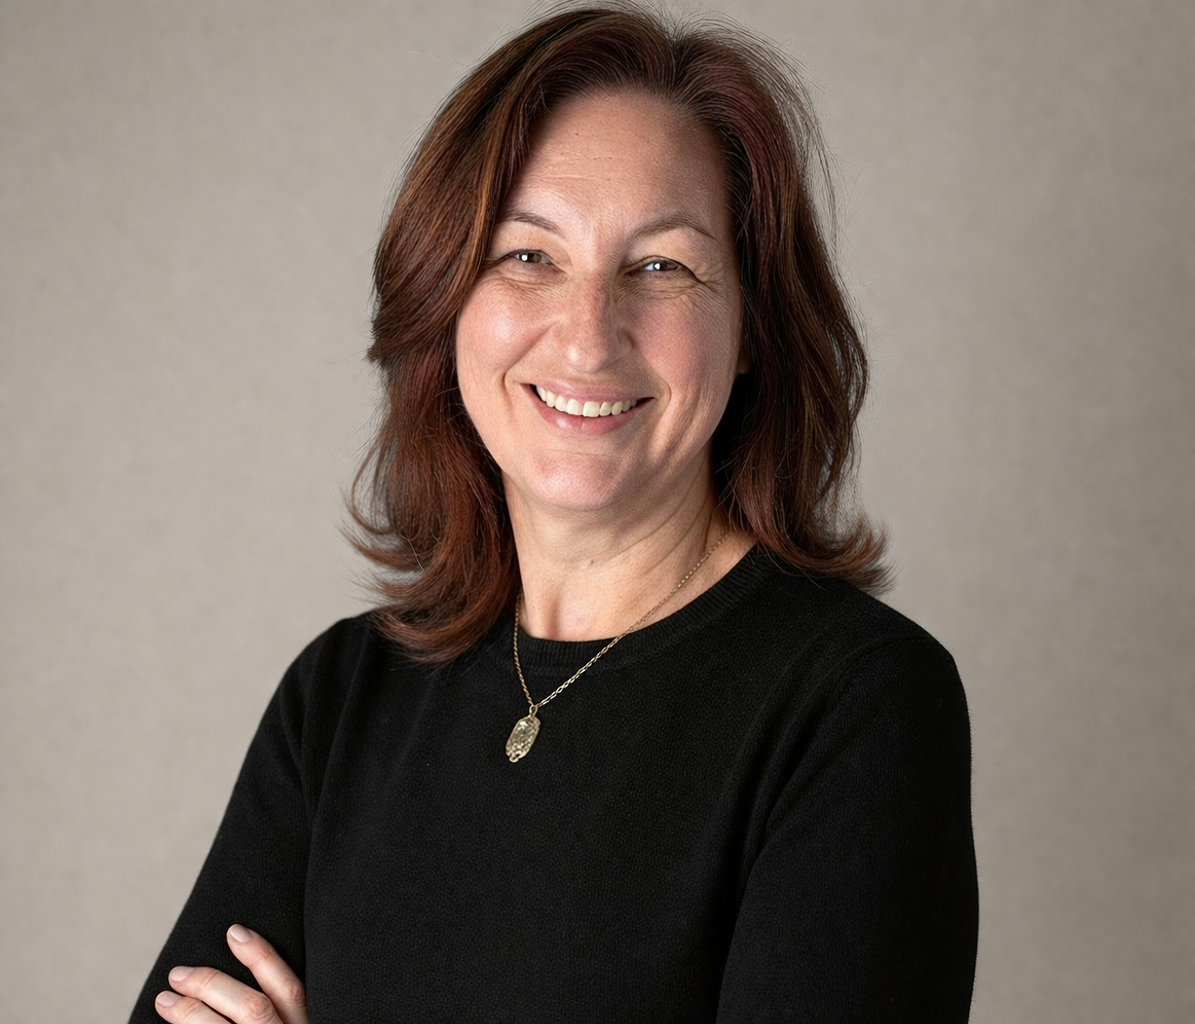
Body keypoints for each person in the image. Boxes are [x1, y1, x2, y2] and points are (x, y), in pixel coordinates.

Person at [131, 4, 978, 1022]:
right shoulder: (342, 698)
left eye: (661, 266)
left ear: (752, 326)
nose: (586, 337)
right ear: (447, 299)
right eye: (526, 256)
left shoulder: (856, 704)